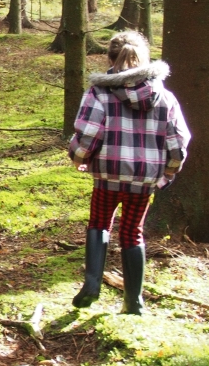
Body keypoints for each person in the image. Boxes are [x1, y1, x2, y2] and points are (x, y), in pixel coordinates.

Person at [68, 31, 190, 315]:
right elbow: (178, 141)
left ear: (110, 58)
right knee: (133, 234)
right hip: (144, 180)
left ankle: (92, 284)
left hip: (108, 176)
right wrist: (168, 173)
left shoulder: (99, 92)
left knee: (99, 224)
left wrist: (78, 158)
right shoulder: (164, 96)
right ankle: (133, 301)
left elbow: (88, 135)